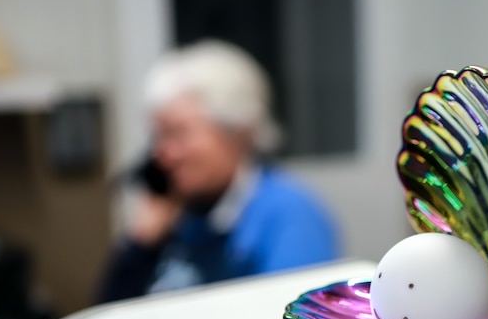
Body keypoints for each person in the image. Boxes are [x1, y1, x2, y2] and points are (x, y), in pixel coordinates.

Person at [98, 40, 340, 302]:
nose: (161, 153)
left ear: (237, 132)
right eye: (158, 136)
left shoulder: (290, 215)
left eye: (177, 134)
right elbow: (108, 314)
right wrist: (141, 246)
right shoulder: (174, 211)